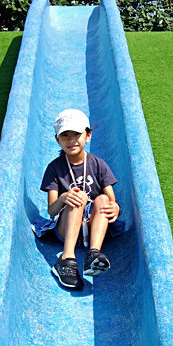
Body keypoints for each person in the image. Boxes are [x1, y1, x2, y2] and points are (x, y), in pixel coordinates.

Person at [38, 107, 119, 290]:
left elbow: (111, 200)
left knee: (102, 200)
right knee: (77, 197)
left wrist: (115, 208)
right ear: (57, 140)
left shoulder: (98, 164)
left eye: (76, 134)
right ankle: (66, 259)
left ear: (88, 136)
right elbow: (51, 210)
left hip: (92, 228)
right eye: (65, 135)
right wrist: (64, 198)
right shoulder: (54, 168)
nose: (71, 140)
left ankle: (93, 254)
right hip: (67, 229)